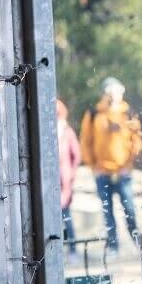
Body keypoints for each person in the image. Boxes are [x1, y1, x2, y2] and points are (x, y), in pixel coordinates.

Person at [79, 77, 142, 255]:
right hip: (102, 172)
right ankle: (114, 246)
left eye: (117, 91)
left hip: (123, 172)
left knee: (129, 208)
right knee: (108, 211)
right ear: (105, 93)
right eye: (110, 91)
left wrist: (130, 162)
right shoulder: (94, 113)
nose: (114, 95)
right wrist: (93, 166)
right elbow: (85, 141)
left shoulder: (128, 112)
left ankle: (138, 243)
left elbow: (137, 139)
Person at [57, 98, 81, 260]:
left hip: (63, 180)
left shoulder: (67, 132)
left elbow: (76, 155)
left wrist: (71, 174)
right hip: (51, 181)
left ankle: (72, 248)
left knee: (65, 214)